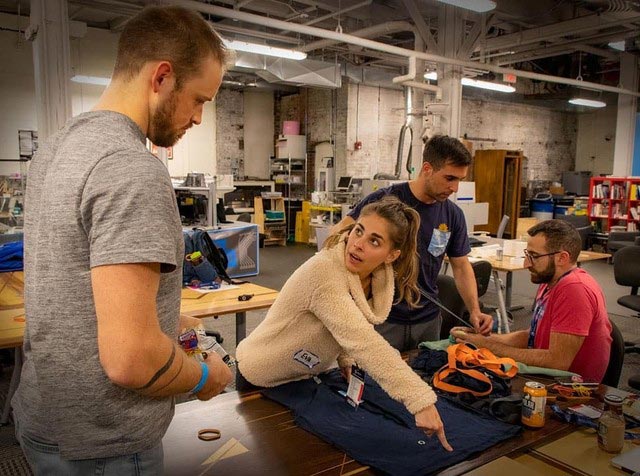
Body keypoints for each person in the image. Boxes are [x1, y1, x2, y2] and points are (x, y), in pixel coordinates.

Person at [12, 6, 233, 474]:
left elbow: (72, 284)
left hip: (47, 417)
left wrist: (166, 313)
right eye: (199, 100)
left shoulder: (56, 147)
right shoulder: (130, 167)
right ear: (162, 77)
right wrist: (203, 377)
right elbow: (132, 361)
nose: (197, 117)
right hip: (106, 442)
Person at [236, 196, 453, 451]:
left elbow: (345, 323)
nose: (358, 244)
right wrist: (421, 401)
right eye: (358, 231)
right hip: (261, 375)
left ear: (392, 255)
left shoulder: (375, 277)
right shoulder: (325, 272)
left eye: (374, 240)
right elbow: (364, 341)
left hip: (302, 376)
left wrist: (345, 358)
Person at [332, 135, 492, 352]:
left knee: (424, 380)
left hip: (428, 319)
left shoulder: (453, 215)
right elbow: (337, 236)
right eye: (449, 178)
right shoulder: (384, 200)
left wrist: (474, 310)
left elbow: (462, 266)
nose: (454, 188)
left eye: (459, 180)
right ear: (427, 169)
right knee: (375, 380)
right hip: (383, 317)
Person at [452, 219, 612, 382]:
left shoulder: (574, 289)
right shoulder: (550, 280)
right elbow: (532, 336)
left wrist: (488, 346)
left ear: (562, 258)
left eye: (534, 256)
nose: (526, 263)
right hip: (546, 376)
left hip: (567, 387)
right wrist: (482, 338)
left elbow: (557, 361)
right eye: (527, 254)